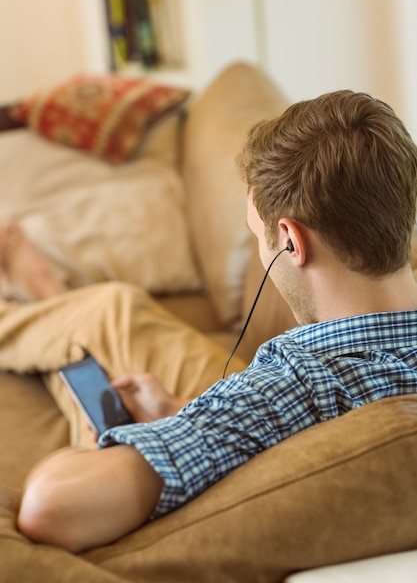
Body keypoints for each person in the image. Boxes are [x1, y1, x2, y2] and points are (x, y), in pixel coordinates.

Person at [10, 89, 417, 554]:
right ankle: (53, 302)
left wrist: (130, 442)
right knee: (111, 315)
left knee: (111, 312)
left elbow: (50, 507)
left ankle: (46, 303)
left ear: (291, 241)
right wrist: (178, 414)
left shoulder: (293, 386)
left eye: (256, 236)